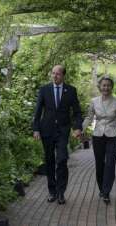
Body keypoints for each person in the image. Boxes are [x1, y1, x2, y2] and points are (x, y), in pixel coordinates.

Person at [33, 65, 82, 204]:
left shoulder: (71, 91)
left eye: (58, 74)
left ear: (63, 75)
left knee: (62, 159)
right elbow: (37, 111)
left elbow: (77, 112)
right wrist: (36, 129)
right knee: (49, 161)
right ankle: (52, 192)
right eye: (53, 73)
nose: (55, 76)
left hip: (62, 131)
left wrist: (77, 127)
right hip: (46, 130)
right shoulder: (44, 89)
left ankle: (61, 193)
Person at [82, 76, 116, 204]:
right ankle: (101, 188)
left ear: (111, 87)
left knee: (110, 164)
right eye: (104, 85)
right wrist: (82, 129)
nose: (106, 87)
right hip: (98, 136)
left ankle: (106, 192)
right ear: (100, 87)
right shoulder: (94, 101)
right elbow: (89, 118)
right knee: (100, 164)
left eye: (108, 85)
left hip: (113, 136)